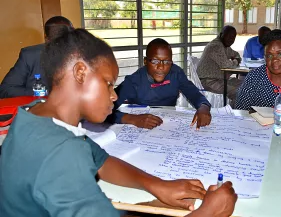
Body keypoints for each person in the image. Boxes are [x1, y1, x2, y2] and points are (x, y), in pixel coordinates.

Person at [0, 29, 237, 217]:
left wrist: (157, 186)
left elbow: (101, 161)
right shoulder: (62, 156)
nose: (114, 96)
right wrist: (208, 213)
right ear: (80, 73)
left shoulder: (32, 116)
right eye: (108, 84)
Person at [109, 38, 212, 130]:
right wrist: (133, 119)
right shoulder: (133, 81)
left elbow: (193, 93)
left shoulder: (176, 73)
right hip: (137, 128)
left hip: (168, 126)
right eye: (155, 61)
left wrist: (203, 107)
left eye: (167, 62)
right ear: (145, 61)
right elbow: (105, 110)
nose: (161, 67)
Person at [0, 16, 73, 98]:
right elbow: (6, 89)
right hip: (37, 107)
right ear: (46, 39)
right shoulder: (30, 56)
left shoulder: (82, 55)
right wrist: (44, 93)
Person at [196, 26, 242, 104]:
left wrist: (235, 60)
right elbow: (227, 66)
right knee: (238, 92)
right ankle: (233, 114)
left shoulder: (225, 46)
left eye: (233, 37)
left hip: (220, 79)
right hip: (208, 81)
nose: (231, 39)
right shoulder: (215, 46)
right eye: (229, 36)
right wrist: (236, 61)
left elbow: (236, 55)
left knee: (246, 85)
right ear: (221, 35)